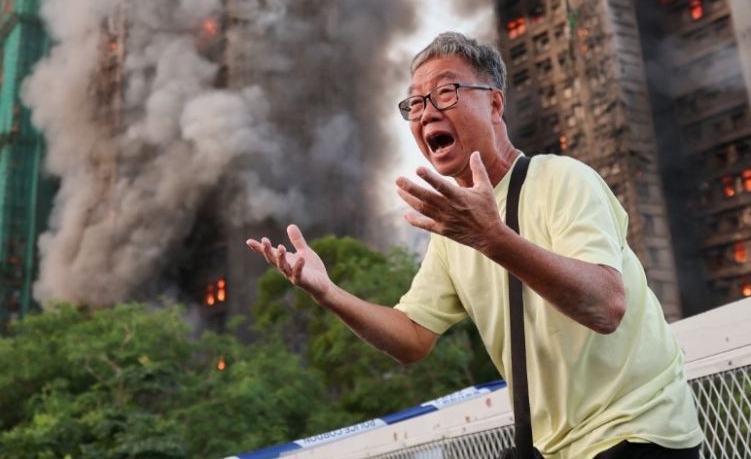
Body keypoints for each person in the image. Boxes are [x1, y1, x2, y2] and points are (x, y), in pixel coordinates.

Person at [247, 32, 703, 458]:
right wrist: (327, 292)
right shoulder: (455, 230)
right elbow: (412, 338)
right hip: (554, 448)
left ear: (495, 104)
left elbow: (606, 306)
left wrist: (492, 237)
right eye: (416, 102)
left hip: (637, 432)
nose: (427, 112)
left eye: (446, 93)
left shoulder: (562, 179)